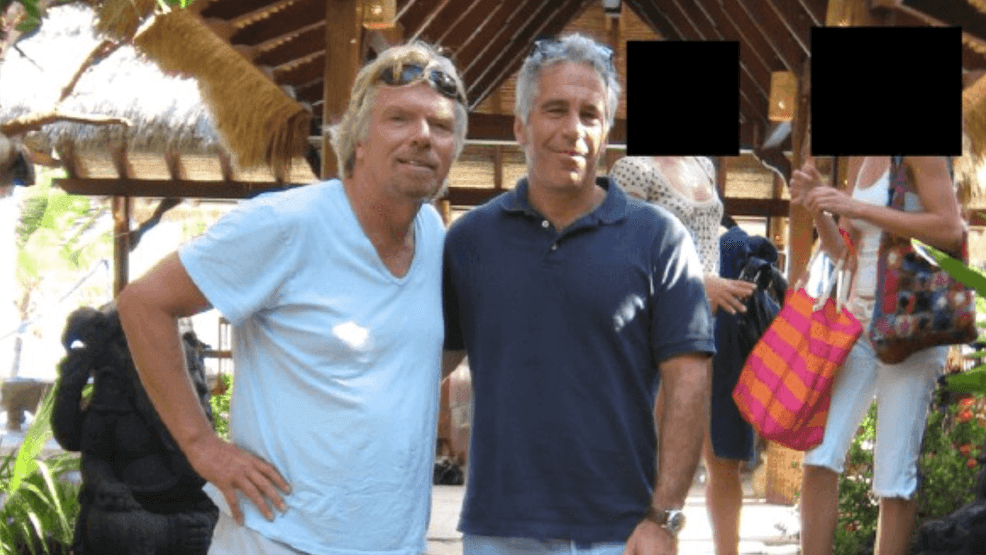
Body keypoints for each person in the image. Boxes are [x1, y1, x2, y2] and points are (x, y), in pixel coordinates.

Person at [116, 41, 468, 555]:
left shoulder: (434, 237)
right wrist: (201, 446)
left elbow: (408, 364)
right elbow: (144, 303)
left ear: (454, 148)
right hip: (277, 538)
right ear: (358, 139)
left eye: (440, 125)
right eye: (399, 118)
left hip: (395, 543)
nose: (422, 136)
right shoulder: (287, 223)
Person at [442, 34, 715, 555]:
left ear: (606, 133)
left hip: (618, 531)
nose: (573, 129)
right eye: (555, 110)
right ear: (521, 126)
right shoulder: (470, 240)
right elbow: (422, 363)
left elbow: (689, 380)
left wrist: (664, 517)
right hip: (499, 529)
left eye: (590, 114)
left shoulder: (658, 238)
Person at [790, 155, 965, 555]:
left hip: (911, 326)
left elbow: (950, 229)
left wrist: (856, 206)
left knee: (893, 477)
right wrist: (819, 207)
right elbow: (845, 253)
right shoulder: (861, 159)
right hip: (858, 324)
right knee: (819, 457)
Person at [610, 155, 757, 555]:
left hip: (712, 325)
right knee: (659, 466)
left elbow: (707, 237)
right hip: (657, 327)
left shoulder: (702, 165)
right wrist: (696, 283)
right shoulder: (633, 168)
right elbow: (622, 256)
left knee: (723, 458)